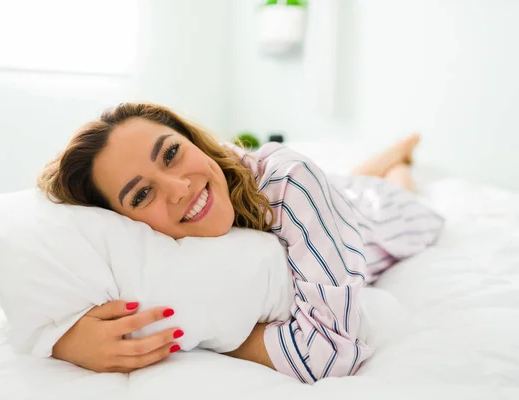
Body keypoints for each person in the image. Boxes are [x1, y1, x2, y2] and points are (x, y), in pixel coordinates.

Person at [38, 103, 444, 383]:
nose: (179, 188)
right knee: (347, 181)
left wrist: (195, 337)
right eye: (141, 195)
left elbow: (329, 353)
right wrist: (65, 342)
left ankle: (398, 162)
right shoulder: (133, 247)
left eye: (172, 153)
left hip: (373, 221)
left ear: (192, 139)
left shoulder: (288, 181)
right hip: (327, 197)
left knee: (395, 193)